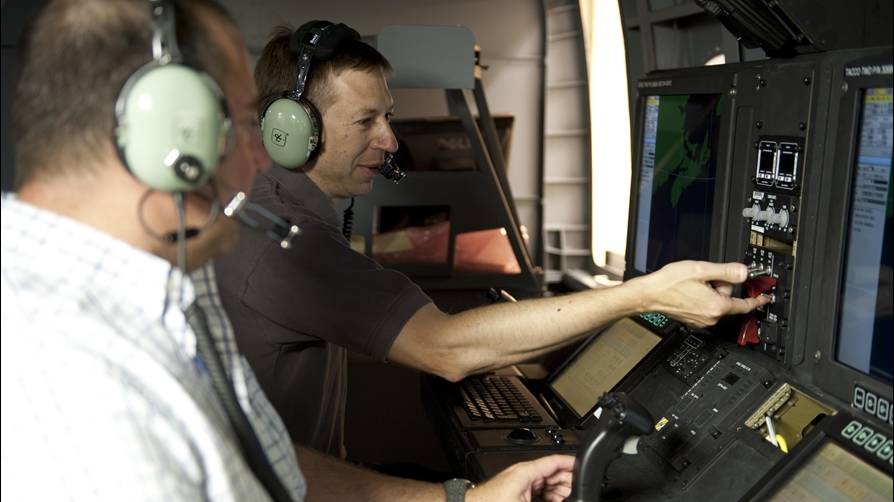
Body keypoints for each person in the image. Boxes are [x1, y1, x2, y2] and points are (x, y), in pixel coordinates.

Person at [0, 1, 575, 501]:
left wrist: (461, 499)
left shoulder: (152, 299)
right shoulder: (67, 364)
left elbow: (263, 462)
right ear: (164, 142)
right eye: (237, 124)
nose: (259, 158)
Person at [214, 20, 770, 455]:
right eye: (365, 122)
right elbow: (445, 349)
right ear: (289, 130)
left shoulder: (266, 209)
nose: (389, 140)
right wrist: (643, 293)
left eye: (389, 116)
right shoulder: (288, 244)